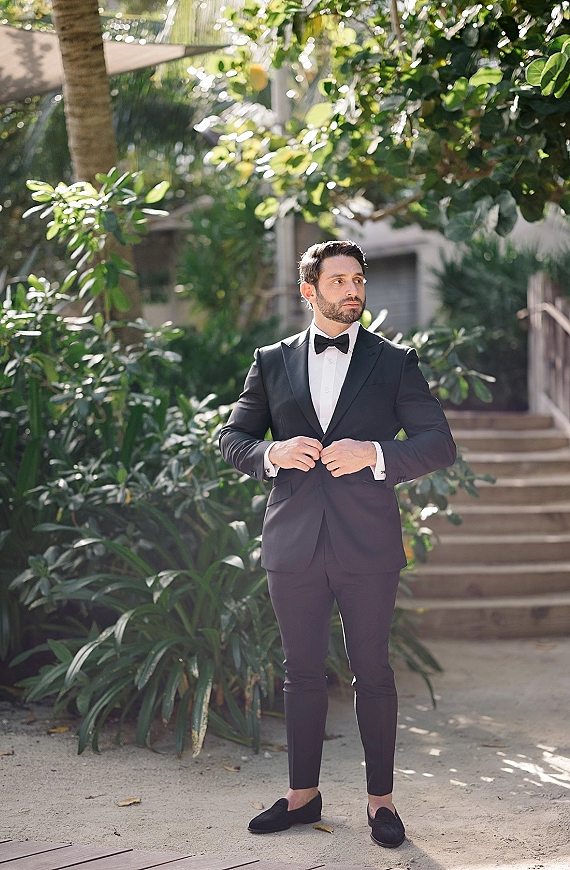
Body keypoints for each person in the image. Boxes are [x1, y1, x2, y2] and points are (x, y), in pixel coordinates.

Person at [219, 240, 456, 847]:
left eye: (359, 279)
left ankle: (381, 803)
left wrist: (375, 454)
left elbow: (437, 443)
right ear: (310, 291)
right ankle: (302, 796)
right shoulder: (270, 361)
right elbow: (233, 439)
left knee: (372, 672)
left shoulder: (394, 361)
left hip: (367, 543)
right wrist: (271, 452)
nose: (353, 291)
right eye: (339, 281)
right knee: (300, 673)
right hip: (293, 541)